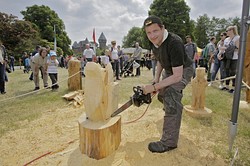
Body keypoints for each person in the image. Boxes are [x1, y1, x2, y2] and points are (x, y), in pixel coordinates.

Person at [142, 15, 193, 153]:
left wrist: (153, 87)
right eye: (149, 33)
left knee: (170, 96)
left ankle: (169, 142)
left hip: (183, 70)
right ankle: (171, 108)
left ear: (162, 28)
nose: (152, 36)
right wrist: (156, 79)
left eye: (155, 31)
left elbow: (177, 76)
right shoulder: (154, 43)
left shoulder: (174, 42)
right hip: (169, 69)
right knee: (162, 94)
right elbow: (160, 60)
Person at [221, 26, 240, 93]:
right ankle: (227, 86)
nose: (226, 32)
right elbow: (224, 48)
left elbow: (238, 48)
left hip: (234, 57)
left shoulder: (237, 38)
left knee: (233, 72)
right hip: (227, 57)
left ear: (232, 30)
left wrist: (227, 49)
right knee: (226, 72)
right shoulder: (226, 39)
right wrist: (221, 54)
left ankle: (233, 87)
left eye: (227, 30)